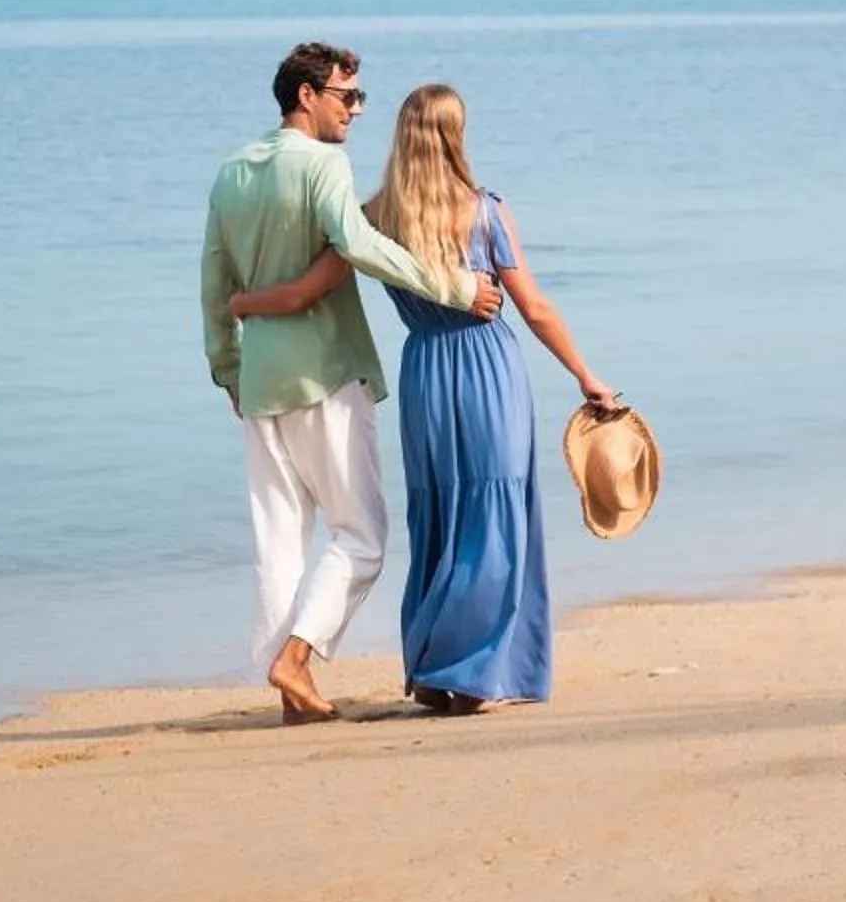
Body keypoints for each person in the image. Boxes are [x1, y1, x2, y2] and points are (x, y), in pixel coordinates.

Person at [232, 83, 611, 714]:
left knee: (440, 516)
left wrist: (241, 303)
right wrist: (586, 376)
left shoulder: (375, 216)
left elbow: (303, 293)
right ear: (455, 137)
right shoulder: (485, 211)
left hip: (426, 373)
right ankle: (478, 674)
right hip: (487, 368)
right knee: (493, 515)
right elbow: (535, 308)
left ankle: (436, 672)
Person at [200, 43, 501, 725]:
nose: (357, 109)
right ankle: (297, 658)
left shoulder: (231, 172)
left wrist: (227, 366)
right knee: (362, 533)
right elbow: (360, 246)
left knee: (277, 541)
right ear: (306, 96)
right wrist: (456, 288)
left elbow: (214, 281)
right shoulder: (322, 163)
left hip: (259, 382)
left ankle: (292, 694)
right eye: (347, 96)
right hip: (325, 372)